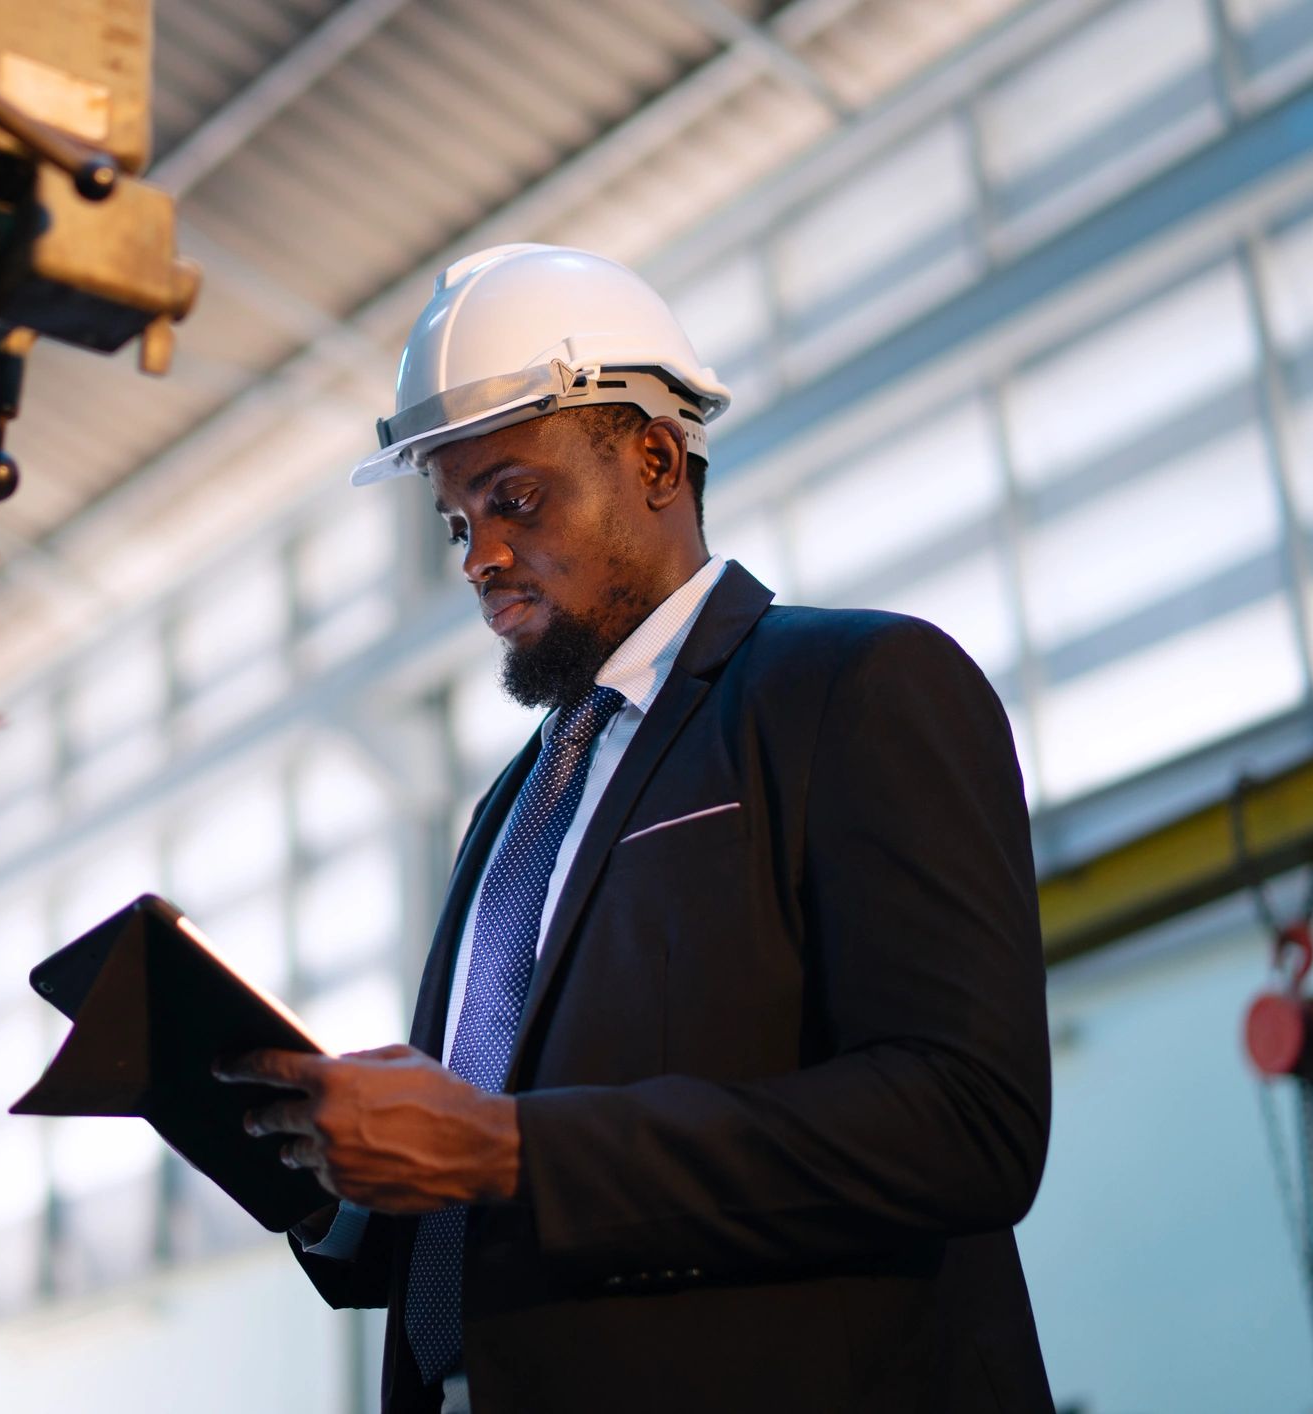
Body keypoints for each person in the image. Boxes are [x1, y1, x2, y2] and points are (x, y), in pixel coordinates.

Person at [216, 245, 1053, 1413]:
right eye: (458, 523)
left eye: (515, 498)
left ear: (656, 460)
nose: (482, 557)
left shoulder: (850, 686)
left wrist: (511, 1150)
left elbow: (966, 1122)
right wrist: (341, 1172)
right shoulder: (512, 809)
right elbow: (493, 1180)